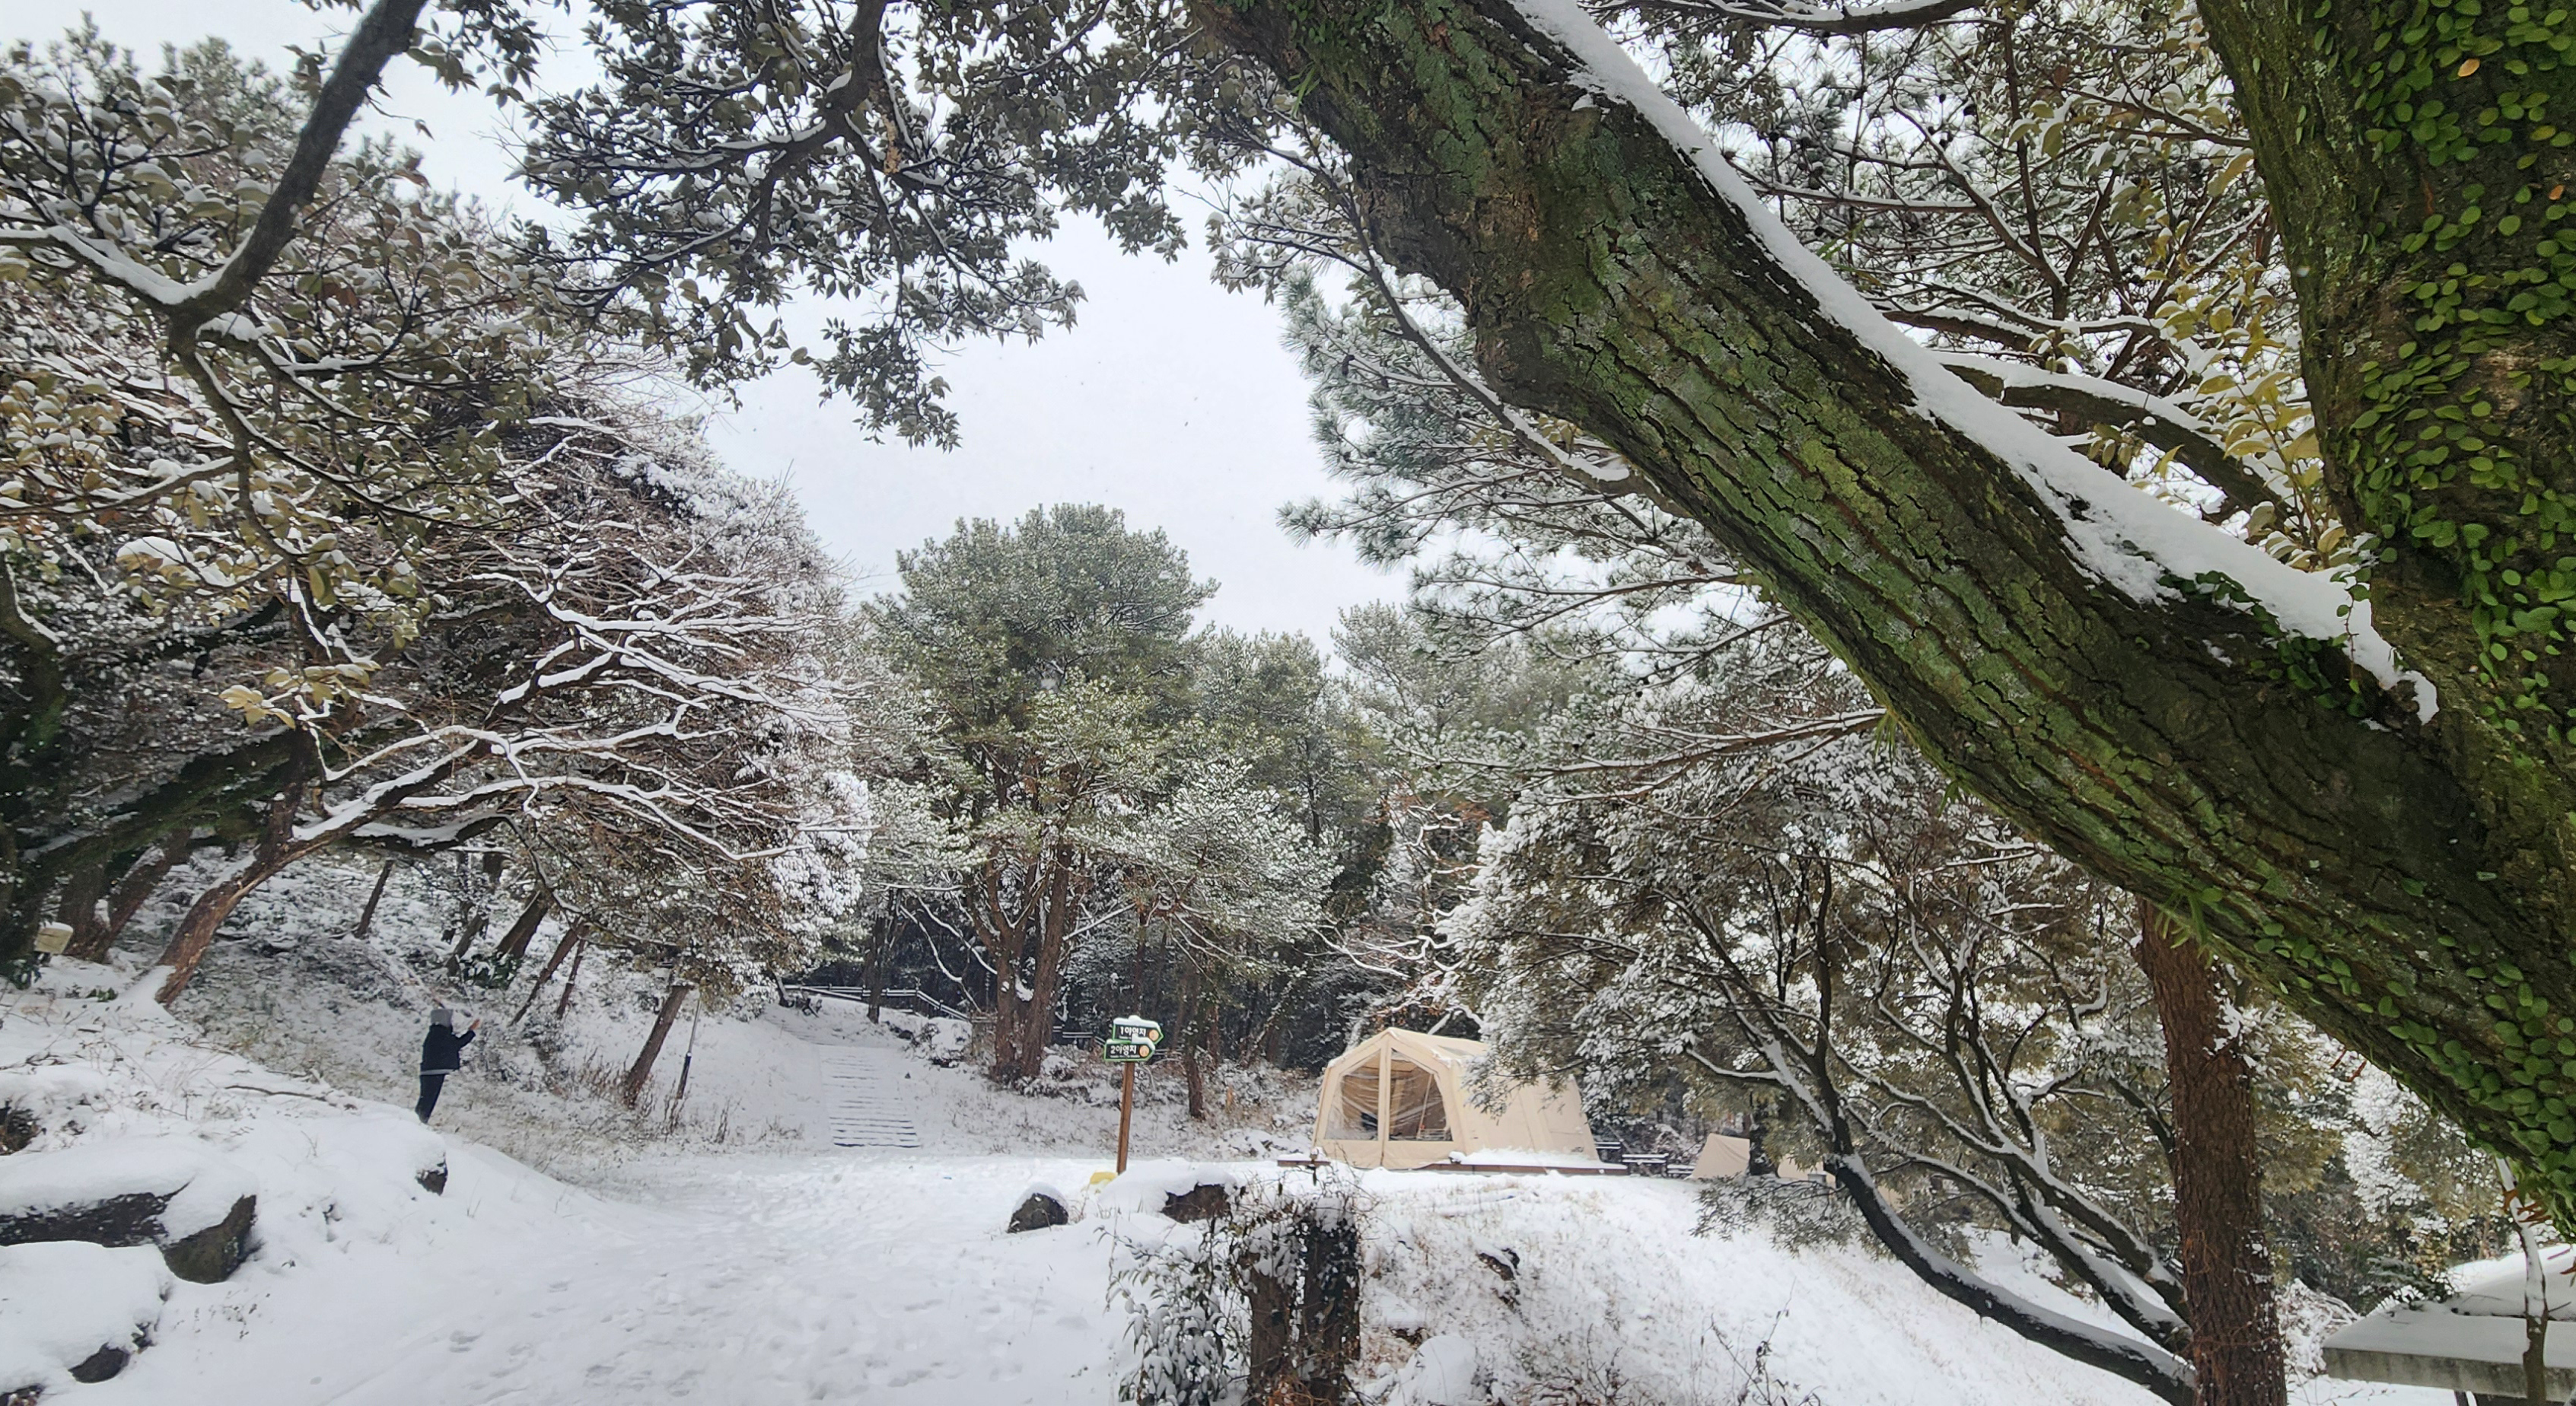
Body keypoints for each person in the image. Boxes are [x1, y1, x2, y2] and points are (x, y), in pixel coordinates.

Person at [417, 1007, 479, 1123]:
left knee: (425, 1098)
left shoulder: (434, 1033)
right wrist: (471, 1031)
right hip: (435, 1073)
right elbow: (458, 1044)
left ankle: (419, 1120)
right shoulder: (441, 1034)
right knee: (429, 1100)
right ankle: (419, 1122)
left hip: (428, 1071)